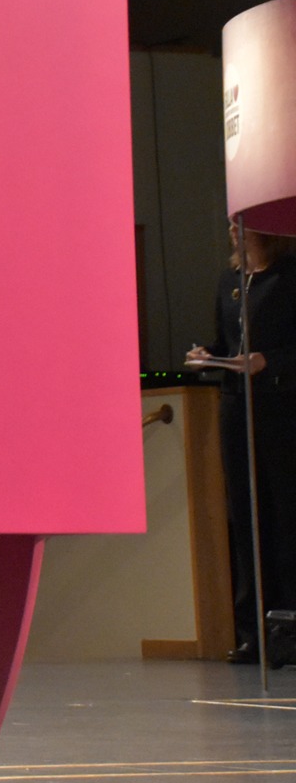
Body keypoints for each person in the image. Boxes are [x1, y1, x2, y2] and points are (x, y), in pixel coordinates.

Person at [190, 226, 296, 664]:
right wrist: (205, 354)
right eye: (231, 222)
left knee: (285, 514)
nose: (233, 229)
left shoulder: (288, 276)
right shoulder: (229, 282)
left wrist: (268, 359)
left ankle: (288, 629)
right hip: (237, 406)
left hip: (280, 404)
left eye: (242, 221)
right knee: (245, 515)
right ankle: (252, 631)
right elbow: (225, 342)